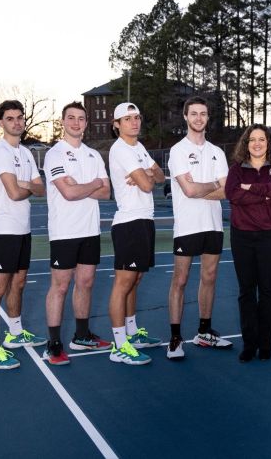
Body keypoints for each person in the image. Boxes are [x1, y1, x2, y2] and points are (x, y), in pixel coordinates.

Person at [42, 101, 111, 365]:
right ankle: (54, 344)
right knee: (60, 286)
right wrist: (93, 183)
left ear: (86, 123)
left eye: (81, 118)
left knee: (86, 283)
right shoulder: (55, 155)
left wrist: (85, 185)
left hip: (90, 229)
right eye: (71, 118)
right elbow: (68, 193)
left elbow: (106, 193)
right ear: (63, 122)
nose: (76, 122)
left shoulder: (93, 155)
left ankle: (81, 336)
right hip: (64, 231)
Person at [0, 100, 47, 370]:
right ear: (1, 122)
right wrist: (27, 185)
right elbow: (15, 193)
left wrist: (26, 184)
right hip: (3, 229)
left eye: (20, 118)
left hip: (23, 227)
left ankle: (15, 333)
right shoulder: (0, 151)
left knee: (18, 282)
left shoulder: (27, 153)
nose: (16, 122)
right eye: (10, 118)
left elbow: (41, 189)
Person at [166, 96, 231, 360]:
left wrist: (205, 188)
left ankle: (204, 332)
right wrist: (212, 185)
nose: (198, 118)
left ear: (207, 117)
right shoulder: (178, 151)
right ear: (185, 116)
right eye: (194, 114)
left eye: (203, 114)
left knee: (210, 277)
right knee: (180, 280)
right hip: (187, 226)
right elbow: (189, 190)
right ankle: (175, 338)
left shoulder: (217, 152)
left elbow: (226, 191)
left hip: (213, 225)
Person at [107, 102, 165, 366]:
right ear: (117, 125)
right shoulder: (120, 149)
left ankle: (132, 333)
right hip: (129, 222)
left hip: (144, 219)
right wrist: (146, 176)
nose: (134, 122)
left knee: (136, 279)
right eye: (128, 119)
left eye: (137, 117)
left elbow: (160, 177)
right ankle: (119, 345)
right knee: (123, 283)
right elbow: (145, 184)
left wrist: (148, 174)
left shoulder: (139, 148)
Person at [225, 125, 271, 362]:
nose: (257, 143)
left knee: (268, 289)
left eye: (262, 139)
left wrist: (250, 189)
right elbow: (233, 194)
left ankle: (266, 345)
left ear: (268, 143)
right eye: (252, 140)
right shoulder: (236, 169)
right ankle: (249, 344)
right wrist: (265, 194)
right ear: (246, 143)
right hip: (242, 235)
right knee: (246, 291)